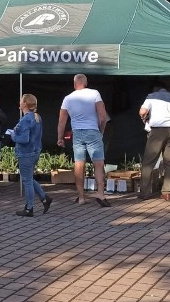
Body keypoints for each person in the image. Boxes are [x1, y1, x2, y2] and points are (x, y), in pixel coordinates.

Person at [57, 74, 111, 207]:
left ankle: (81, 197)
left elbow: (62, 121)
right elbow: (102, 116)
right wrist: (101, 130)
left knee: (79, 165)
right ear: (85, 83)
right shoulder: (94, 94)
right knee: (98, 164)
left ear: (74, 84)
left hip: (77, 133)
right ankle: (100, 195)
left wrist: (60, 137)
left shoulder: (67, 98)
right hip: (93, 131)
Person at [9, 94, 53, 217]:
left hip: (26, 153)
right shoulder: (37, 117)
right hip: (35, 152)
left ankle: (29, 208)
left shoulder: (26, 119)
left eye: (21, 100)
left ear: (25, 104)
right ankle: (45, 199)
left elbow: (23, 139)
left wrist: (13, 135)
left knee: (27, 180)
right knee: (29, 178)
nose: (19, 102)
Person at [138, 82, 170, 200]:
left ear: (155, 89)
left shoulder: (152, 96)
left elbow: (142, 111)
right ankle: (167, 192)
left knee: (149, 161)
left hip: (158, 130)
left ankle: (144, 193)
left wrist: (144, 118)